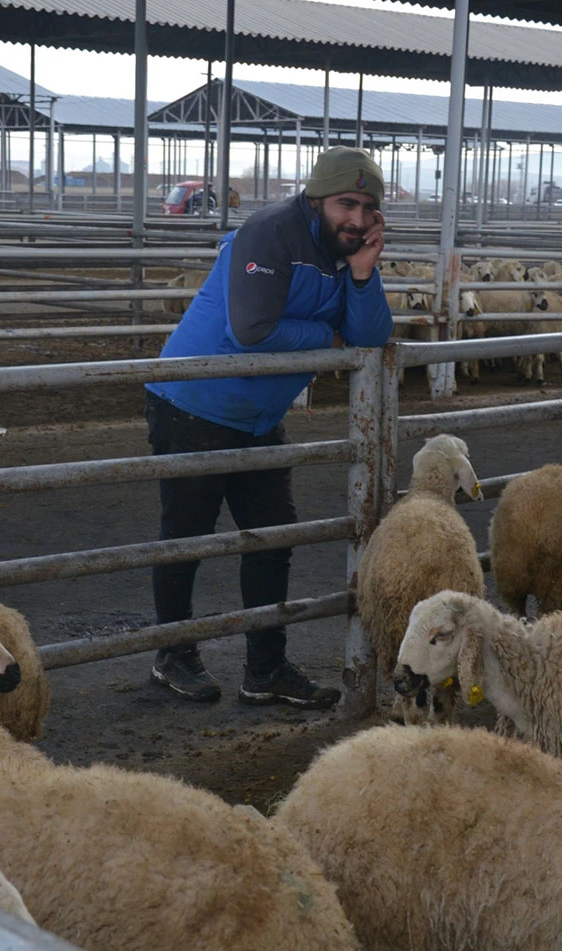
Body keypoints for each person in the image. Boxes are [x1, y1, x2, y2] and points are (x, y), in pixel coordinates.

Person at [142, 146, 393, 708]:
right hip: (194, 401)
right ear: (316, 198)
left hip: (259, 416)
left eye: (366, 207)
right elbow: (252, 328)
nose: (355, 218)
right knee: (186, 534)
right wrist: (327, 340)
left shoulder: (346, 251)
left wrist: (363, 273)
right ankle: (172, 654)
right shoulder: (269, 232)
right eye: (345, 204)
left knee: (273, 536)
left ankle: (265, 669)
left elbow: (371, 337)